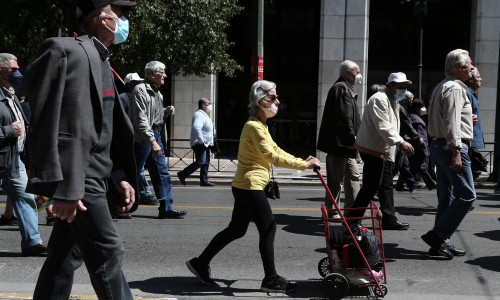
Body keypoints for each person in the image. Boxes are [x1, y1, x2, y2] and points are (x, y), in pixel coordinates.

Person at [26, 1, 138, 298]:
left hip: (94, 176)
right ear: (104, 19)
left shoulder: (102, 61)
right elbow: (49, 120)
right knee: (108, 253)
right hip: (80, 178)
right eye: (122, 16)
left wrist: (117, 174)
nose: (125, 22)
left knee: (64, 258)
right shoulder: (65, 50)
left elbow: (102, 131)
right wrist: (64, 189)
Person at [186, 80, 321, 293]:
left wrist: (302, 160)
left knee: (236, 230)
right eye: (273, 97)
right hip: (250, 186)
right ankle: (271, 279)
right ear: (260, 101)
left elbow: (277, 149)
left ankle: (200, 263)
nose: (277, 101)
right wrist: (304, 165)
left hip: (245, 185)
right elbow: (273, 157)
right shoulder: (253, 127)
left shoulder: (260, 126)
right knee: (268, 227)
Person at [422, 49, 475, 260]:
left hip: (440, 146)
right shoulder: (454, 88)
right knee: (467, 195)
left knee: (447, 198)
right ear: (459, 68)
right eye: (469, 64)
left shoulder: (442, 85)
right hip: (450, 147)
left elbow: (450, 118)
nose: (472, 67)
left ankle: (441, 242)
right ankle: (437, 236)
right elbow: (451, 122)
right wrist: (456, 151)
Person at [348, 72, 414, 230]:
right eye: (400, 87)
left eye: (405, 88)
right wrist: (401, 142)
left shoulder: (393, 100)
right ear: (390, 85)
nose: (403, 91)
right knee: (371, 185)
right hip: (372, 149)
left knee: (386, 185)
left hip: (383, 149)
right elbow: (383, 125)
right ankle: (352, 221)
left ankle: (389, 218)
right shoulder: (379, 99)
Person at [0, 53, 47, 256]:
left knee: (26, 197)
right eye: (13, 69)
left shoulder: (10, 94)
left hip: (13, 159)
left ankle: (32, 243)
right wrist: (10, 131)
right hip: (3, 156)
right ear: (0, 70)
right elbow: (12, 128)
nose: (18, 73)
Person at [129, 60, 187, 219]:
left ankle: (166, 207)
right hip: (143, 138)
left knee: (162, 173)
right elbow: (141, 119)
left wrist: (165, 112)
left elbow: (155, 116)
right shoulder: (140, 90)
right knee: (132, 173)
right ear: (152, 74)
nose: (165, 76)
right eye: (163, 72)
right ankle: (120, 204)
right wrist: (152, 140)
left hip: (155, 135)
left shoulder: (158, 93)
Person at [317, 60, 361, 213]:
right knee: (336, 182)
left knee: (354, 178)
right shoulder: (341, 88)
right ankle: (332, 212)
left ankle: (352, 213)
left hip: (346, 146)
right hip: (340, 146)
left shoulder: (345, 88)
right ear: (348, 72)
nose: (359, 76)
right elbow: (344, 117)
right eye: (357, 72)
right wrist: (351, 140)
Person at [120, 72, 158, 206]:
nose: (139, 84)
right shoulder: (124, 98)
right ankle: (143, 193)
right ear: (129, 84)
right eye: (135, 82)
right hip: (133, 137)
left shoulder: (140, 95)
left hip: (142, 136)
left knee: (139, 168)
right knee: (136, 168)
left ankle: (142, 193)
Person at [177, 98, 216, 186]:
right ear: (203, 105)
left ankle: (204, 180)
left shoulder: (204, 115)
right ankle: (182, 174)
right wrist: (201, 140)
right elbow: (196, 127)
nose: (210, 106)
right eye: (208, 104)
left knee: (206, 162)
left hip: (206, 143)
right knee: (201, 161)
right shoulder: (199, 115)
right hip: (200, 143)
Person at [394, 91, 424, 192]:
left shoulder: (398, 107)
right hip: (399, 141)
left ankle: (411, 183)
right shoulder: (400, 109)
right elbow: (407, 125)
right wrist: (417, 138)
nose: (411, 103)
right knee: (398, 165)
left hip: (399, 141)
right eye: (409, 101)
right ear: (404, 99)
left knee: (404, 164)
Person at [408, 98, 436, 190]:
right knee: (421, 167)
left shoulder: (414, 118)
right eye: (421, 107)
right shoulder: (417, 121)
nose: (423, 109)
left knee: (412, 167)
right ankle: (430, 183)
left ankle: (409, 183)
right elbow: (422, 138)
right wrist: (426, 150)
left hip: (415, 149)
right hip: (419, 149)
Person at [465, 68, 487, 180]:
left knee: (477, 167)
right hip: (470, 139)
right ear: (471, 80)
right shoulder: (467, 93)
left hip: (473, 139)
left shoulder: (471, 94)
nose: (481, 79)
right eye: (478, 77)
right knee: (475, 168)